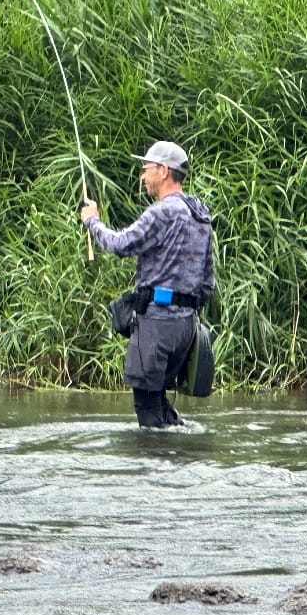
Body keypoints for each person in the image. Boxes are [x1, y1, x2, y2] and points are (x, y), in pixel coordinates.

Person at [80, 141, 214, 429]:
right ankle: (179, 458)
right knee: (161, 403)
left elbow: (121, 244)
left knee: (147, 407)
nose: (143, 176)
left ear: (164, 171)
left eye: (146, 169)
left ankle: (154, 469)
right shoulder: (200, 213)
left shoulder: (163, 212)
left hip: (157, 323)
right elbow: (207, 280)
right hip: (187, 327)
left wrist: (93, 222)